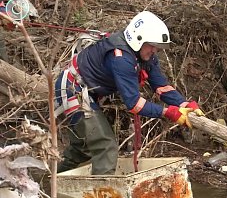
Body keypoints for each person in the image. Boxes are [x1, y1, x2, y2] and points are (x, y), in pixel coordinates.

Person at [55, 11, 204, 175]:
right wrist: (169, 113)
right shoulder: (121, 58)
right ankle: (104, 196)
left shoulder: (145, 56)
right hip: (72, 88)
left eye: (157, 46)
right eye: (152, 45)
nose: (155, 50)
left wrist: (184, 104)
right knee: (105, 145)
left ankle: (52, 179)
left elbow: (161, 87)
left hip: (87, 91)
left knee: (83, 147)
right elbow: (134, 104)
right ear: (138, 39)